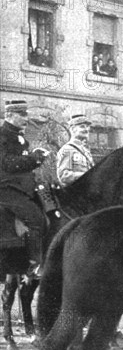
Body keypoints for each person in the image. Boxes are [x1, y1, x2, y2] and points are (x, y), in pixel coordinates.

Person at [0, 99, 49, 278]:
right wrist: (34, 159)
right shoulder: (2, 136)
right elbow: (7, 164)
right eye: (22, 114)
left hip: (22, 189)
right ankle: (34, 265)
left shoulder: (20, 138)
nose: (26, 118)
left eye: (26, 114)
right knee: (36, 220)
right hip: (7, 190)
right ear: (9, 115)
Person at [56, 114, 95, 187]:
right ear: (73, 129)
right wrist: (86, 175)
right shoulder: (68, 149)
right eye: (82, 126)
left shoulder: (86, 151)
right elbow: (64, 176)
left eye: (87, 127)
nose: (86, 129)